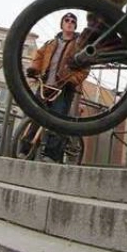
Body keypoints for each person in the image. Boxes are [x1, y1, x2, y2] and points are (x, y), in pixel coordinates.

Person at [24, 12, 89, 162]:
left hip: (64, 89)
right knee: (34, 117)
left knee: (58, 121)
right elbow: (38, 57)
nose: (70, 22)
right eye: (66, 20)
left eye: (73, 21)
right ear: (62, 24)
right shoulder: (50, 44)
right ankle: (25, 150)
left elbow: (85, 68)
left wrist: (72, 80)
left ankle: (52, 155)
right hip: (45, 85)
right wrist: (34, 69)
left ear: (75, 26)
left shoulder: (79, 46)